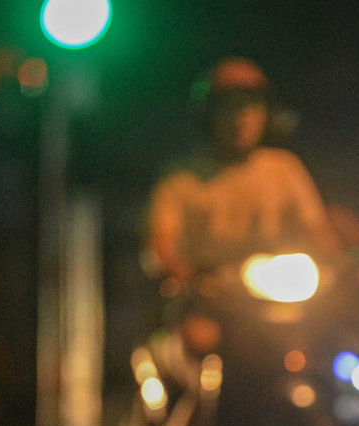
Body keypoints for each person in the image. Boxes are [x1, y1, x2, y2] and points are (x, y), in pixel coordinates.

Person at [145, 56, 341, 296]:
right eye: (229, 107)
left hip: (277, 293)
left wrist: (338, 262)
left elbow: (317, 231)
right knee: (200, 334)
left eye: (251, 106)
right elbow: (161, 242)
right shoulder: (180, 178)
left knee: (332, 325)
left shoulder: (284, 168)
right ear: (208, 115)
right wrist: (182, 273)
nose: (241, 118)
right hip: (209, 296)